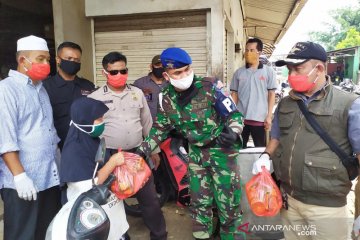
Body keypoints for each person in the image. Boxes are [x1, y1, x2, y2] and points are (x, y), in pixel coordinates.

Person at [252, 41, 360, 239]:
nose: (291, 76)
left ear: (319, 69)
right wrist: (265, 155)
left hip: (326, 207)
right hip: (289, 200)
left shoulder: (349, 104)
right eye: (289, 70)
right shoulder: (286, 102)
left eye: (298, 69)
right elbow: (277, 135)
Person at [136, 47, 245, 240]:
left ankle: (231, 236)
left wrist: (234, 132)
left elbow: (234, 115)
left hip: (222, 153)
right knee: (199, 202)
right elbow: (160, 128)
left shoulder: (210, 86)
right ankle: (203, 236)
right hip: (196, 154)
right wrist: (142, 150)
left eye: (187, 69)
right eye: (178, 72)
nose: (185, 74)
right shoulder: (166, 98)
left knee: (228, 204)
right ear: (167, 75)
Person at [88, 51, 167, 240]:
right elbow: (91, 131)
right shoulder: (95, 97)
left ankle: (159, 235)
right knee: (110, 201)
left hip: (138, 155)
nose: (119, 75)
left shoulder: (137, 93)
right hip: (110, 157)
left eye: (123, 71)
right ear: (104, 73)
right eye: (114, 72)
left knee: (150, 200)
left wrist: (154, 150)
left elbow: (147, 123)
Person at [0, 35, 61, 240]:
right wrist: (19, 176)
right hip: (23, 182)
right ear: (22, 61)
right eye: (41, 59)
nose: (46, 64)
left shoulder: (41, 90)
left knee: (47, 232)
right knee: (23, 235)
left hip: (48, 178)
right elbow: (5, 138)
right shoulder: (6, 90)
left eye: (48, 59)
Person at [60, 97, 129, 239]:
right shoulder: (74, 151)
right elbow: (91, 186)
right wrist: (112, 163)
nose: (102, 122)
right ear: (84, 119)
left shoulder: (90, 138)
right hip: (88, 208)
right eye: (98, 119)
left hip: (107, 203)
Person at [43, 41, 95, 150]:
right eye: (69, 59)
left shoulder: (88, 86)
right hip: (57, 148)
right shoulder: (45, 87)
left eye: (77, 60)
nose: (73, 62)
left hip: (85, 146)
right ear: (58, 60)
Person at [230, 37, 277, 147]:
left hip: (260, 120)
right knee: (239, 149)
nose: (247, 53)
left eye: (251, 50)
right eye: (246, 50)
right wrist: (231, 115)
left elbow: (271, 94)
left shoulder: (268, 72)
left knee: (260, 150)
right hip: (241, 120)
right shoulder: (239, 72)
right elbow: (234, 95)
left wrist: (269, 116)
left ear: (258, 52)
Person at [134, 54, 169, 121]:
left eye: (163, 66)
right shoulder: (140, 83)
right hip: (147, 125)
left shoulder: (171, 83)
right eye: (157, 65)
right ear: (151, 66)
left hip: (168, 126)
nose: (160, 68)